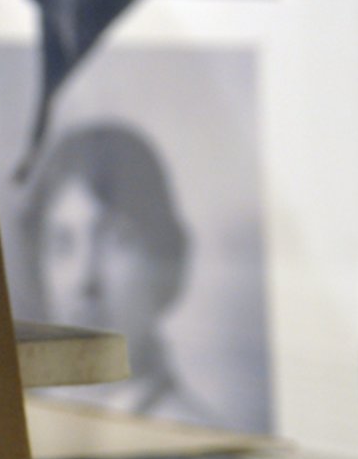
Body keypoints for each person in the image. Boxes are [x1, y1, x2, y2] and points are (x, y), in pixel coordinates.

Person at [23, 122, 217, 426]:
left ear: (167, 261)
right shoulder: (21, 419)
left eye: (118, 240)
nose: (84, 280)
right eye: (62, 243)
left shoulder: (193, 432)